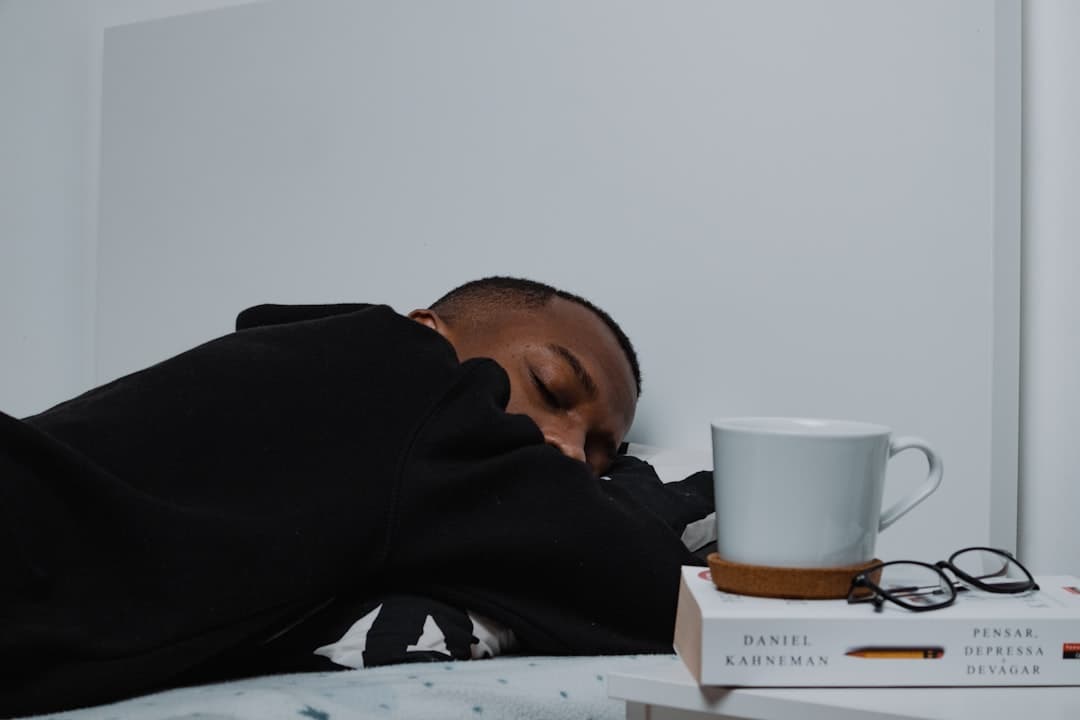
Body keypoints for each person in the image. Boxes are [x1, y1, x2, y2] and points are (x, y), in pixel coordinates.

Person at [0, 276, 711, 717]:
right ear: (426, 328)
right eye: (550, 387)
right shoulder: (406, 372)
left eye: (600, 454)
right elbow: (649, 584)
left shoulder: (308, 424)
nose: (567, 450)